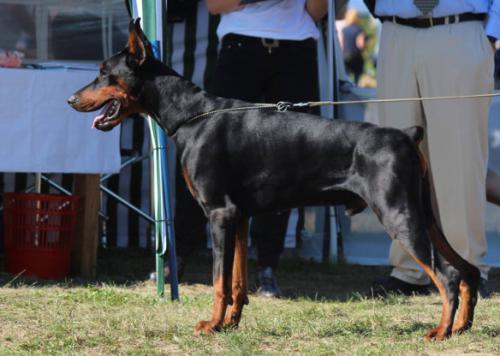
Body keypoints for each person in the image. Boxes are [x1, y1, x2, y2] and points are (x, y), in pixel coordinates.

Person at [168, 0, 328, 298]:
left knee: (288, 161)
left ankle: (268, 264)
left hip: (296, 50)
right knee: (208, 153)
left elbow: (318, 11)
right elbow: (217, 5)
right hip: (241, 48)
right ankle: (179, 254)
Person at [365, 0, 499, 298]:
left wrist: (493, 31)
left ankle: (465, 267)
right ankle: (410, 268)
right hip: (395, 31)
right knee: (397, 159)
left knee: (460, 160)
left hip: (462, 28)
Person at [338, 8, 366, 83]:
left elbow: (341, 44)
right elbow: (360, 45)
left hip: (345, 55)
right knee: (357, 75)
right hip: (355, 56)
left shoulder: (344, 29)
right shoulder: (359, 29)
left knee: (346, 74)